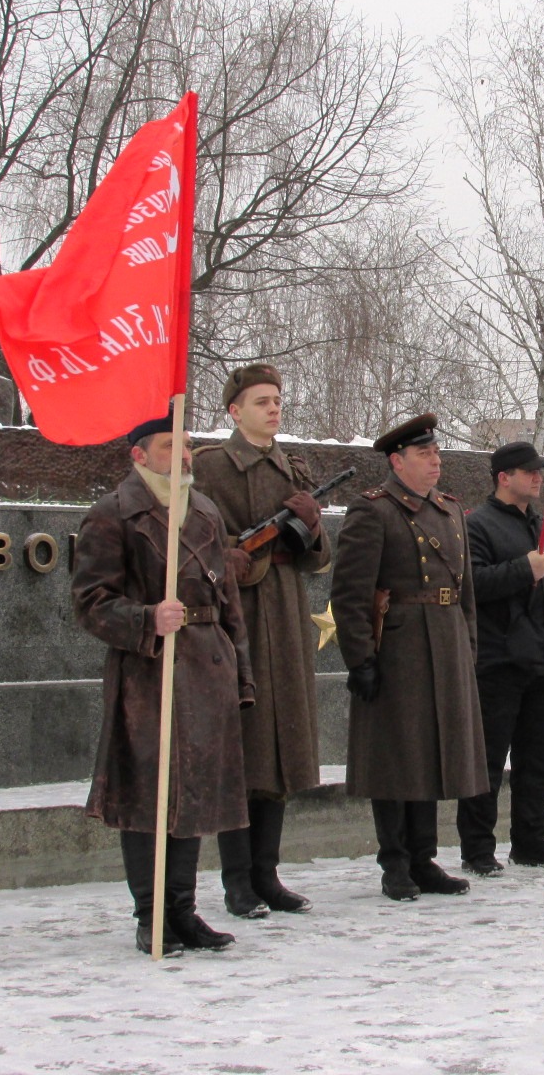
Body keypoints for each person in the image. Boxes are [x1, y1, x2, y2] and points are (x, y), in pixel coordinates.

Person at [72, 413, 251, 955]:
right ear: (139, 454)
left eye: (189, 444)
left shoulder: (205, 511)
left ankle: (184, 910)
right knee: (151, 795)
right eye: (170, 445)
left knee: (195, 791)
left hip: (205, 665)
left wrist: (241, 673)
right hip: (148, 671)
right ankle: (152, 916)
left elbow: (230, 607)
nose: (184, 454)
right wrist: (146, 618)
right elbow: (89, 603)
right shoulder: (112, 515)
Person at [331, 414, 489, 901]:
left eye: (437, 453)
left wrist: (467, 648)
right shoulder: (373, 511)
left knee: (434, 755)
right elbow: (350, 593)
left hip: (444, 644)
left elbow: (465, 595)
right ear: (397, 462)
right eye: (425, 455)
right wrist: (361, 659)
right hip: (398, 647)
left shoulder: (450, 510)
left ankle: (425, 859)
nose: (436, 461)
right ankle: (395, 863)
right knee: (397, 758)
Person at [193, 364, 330, 918]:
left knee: (280, 752)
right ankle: (237, 881)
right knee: (243, 755)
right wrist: (250, 554)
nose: (274, 409)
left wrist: (310, 526)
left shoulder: (292, 466)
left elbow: (318, 559)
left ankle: (267, 874)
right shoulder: (210, 468)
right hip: (238, 620)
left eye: (277, 400)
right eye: (260, 402)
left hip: (287, 619)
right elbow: (202, 545)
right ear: (234, 411)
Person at [456, 441, 544, 876]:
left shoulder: (543, 526)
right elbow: (469, 585)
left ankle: (531, 841)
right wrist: (521, 570)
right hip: (498, 665)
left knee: (539, 762)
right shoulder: (478, 525)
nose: (538, 478)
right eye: (529, 471)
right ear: (504, 477)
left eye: (540, 471)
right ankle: (477, 849)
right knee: (488, 764)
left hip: (543, 664)